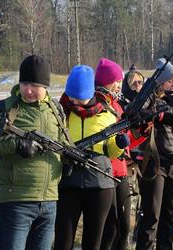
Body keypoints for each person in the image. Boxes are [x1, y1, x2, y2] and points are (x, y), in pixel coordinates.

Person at [0, 55, 66, 250]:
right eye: (24, 84)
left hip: (49, 202)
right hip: (15, 202)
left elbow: (63, 144)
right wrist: (15, 145)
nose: (28, 90)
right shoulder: (2, 109)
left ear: (45, 86)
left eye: (34, 85)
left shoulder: (56, 110)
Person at [54, 65, 130, 250]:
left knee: (93, 242)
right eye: (71, 96)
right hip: (68, 184)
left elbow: (110, 152)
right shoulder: (62, 112)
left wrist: (119, 145)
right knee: (63, 242)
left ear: (90, 92)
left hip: (99, 185)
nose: (74, 101)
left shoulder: (107, 114)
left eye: (79, 97)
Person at [135, 58, 173, 250]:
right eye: (171, 80)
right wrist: (158, 112)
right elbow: (135, 112)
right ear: (161, 80)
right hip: (154, 162)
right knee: (152, 215)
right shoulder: (149, 97)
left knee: (169, 215)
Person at [94, 58, 132, 250]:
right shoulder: (97, 104)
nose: (119, 84)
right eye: (116, 80)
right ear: (107, 80)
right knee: (111, 230)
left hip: (121, 170)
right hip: (106, 172)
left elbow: (127, 139)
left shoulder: (116, 103)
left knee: (124, 228)